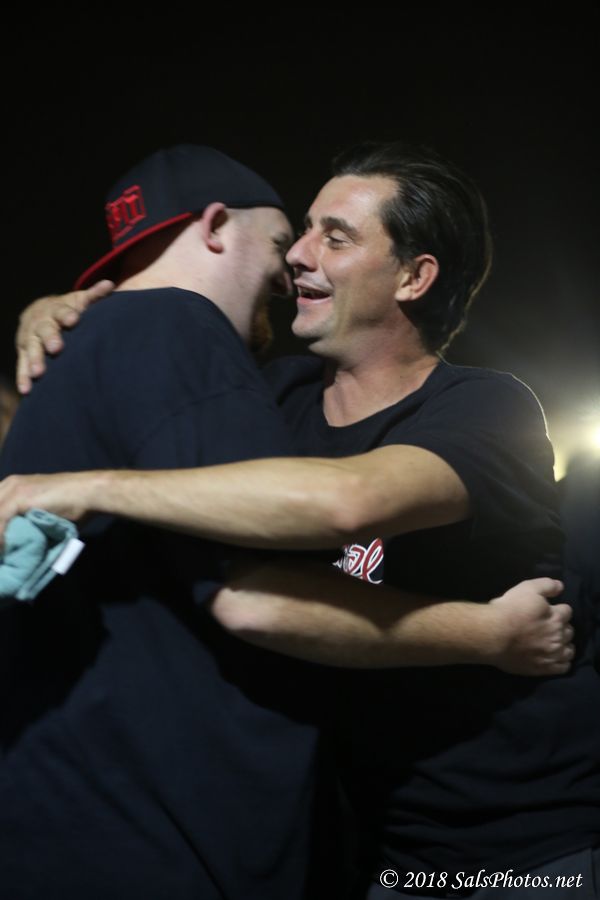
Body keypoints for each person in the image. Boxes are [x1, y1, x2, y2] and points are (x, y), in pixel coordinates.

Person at [4, 141, 595, 898]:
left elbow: (348, 504)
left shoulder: (487, 408)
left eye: (334, 237)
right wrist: (65, 311)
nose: (296, 256)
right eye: (302, 231)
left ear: (414, 277)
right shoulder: (272, 398)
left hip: (527, 837)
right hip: (374, 843)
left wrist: (87, 488)